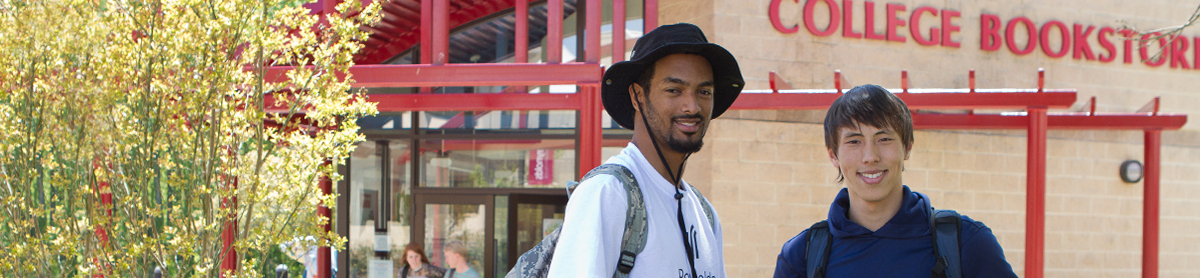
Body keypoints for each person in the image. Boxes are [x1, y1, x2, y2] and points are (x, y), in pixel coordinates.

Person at [546, 23, 744, 277]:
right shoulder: (608, 194)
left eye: (704, 91)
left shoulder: (705, 214)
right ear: (637, 96)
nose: (692, 106)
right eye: (674, 90)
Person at [773, 84, 1017, 277]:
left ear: (907, 148)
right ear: (833, 155)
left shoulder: (966, 243)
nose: (870, 156)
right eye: (854, 141)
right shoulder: (801, 257)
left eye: (884, 139)